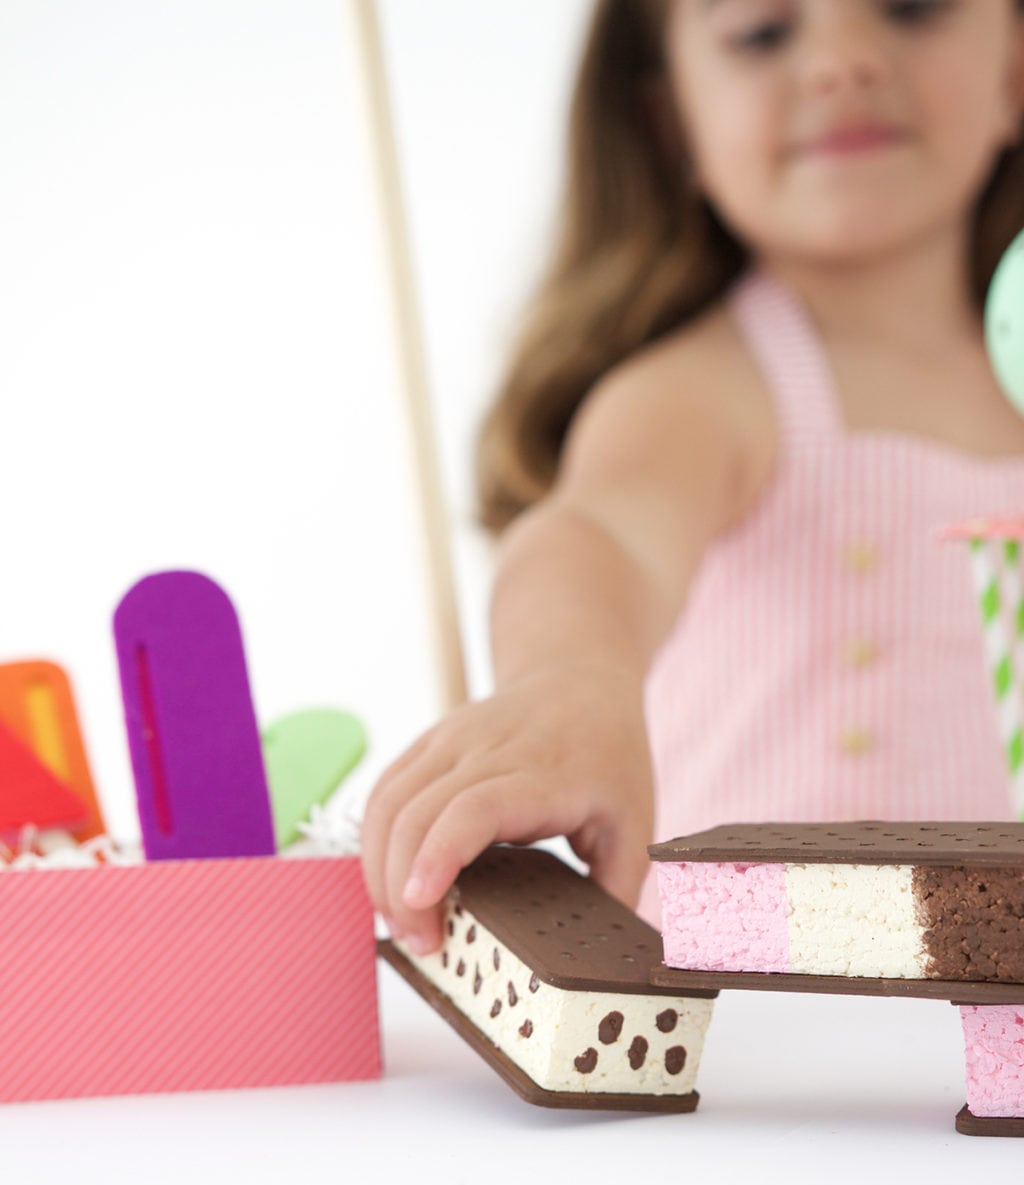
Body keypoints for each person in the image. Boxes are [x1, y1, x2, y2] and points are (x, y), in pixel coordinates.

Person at [364, 0, 1024, 954]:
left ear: (1015, 67)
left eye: (912, 7)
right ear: (672, 120)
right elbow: (605, 534)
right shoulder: (713, 390)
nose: (842, 61)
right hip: (759, 1038)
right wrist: (572, 680)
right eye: (763, 31)